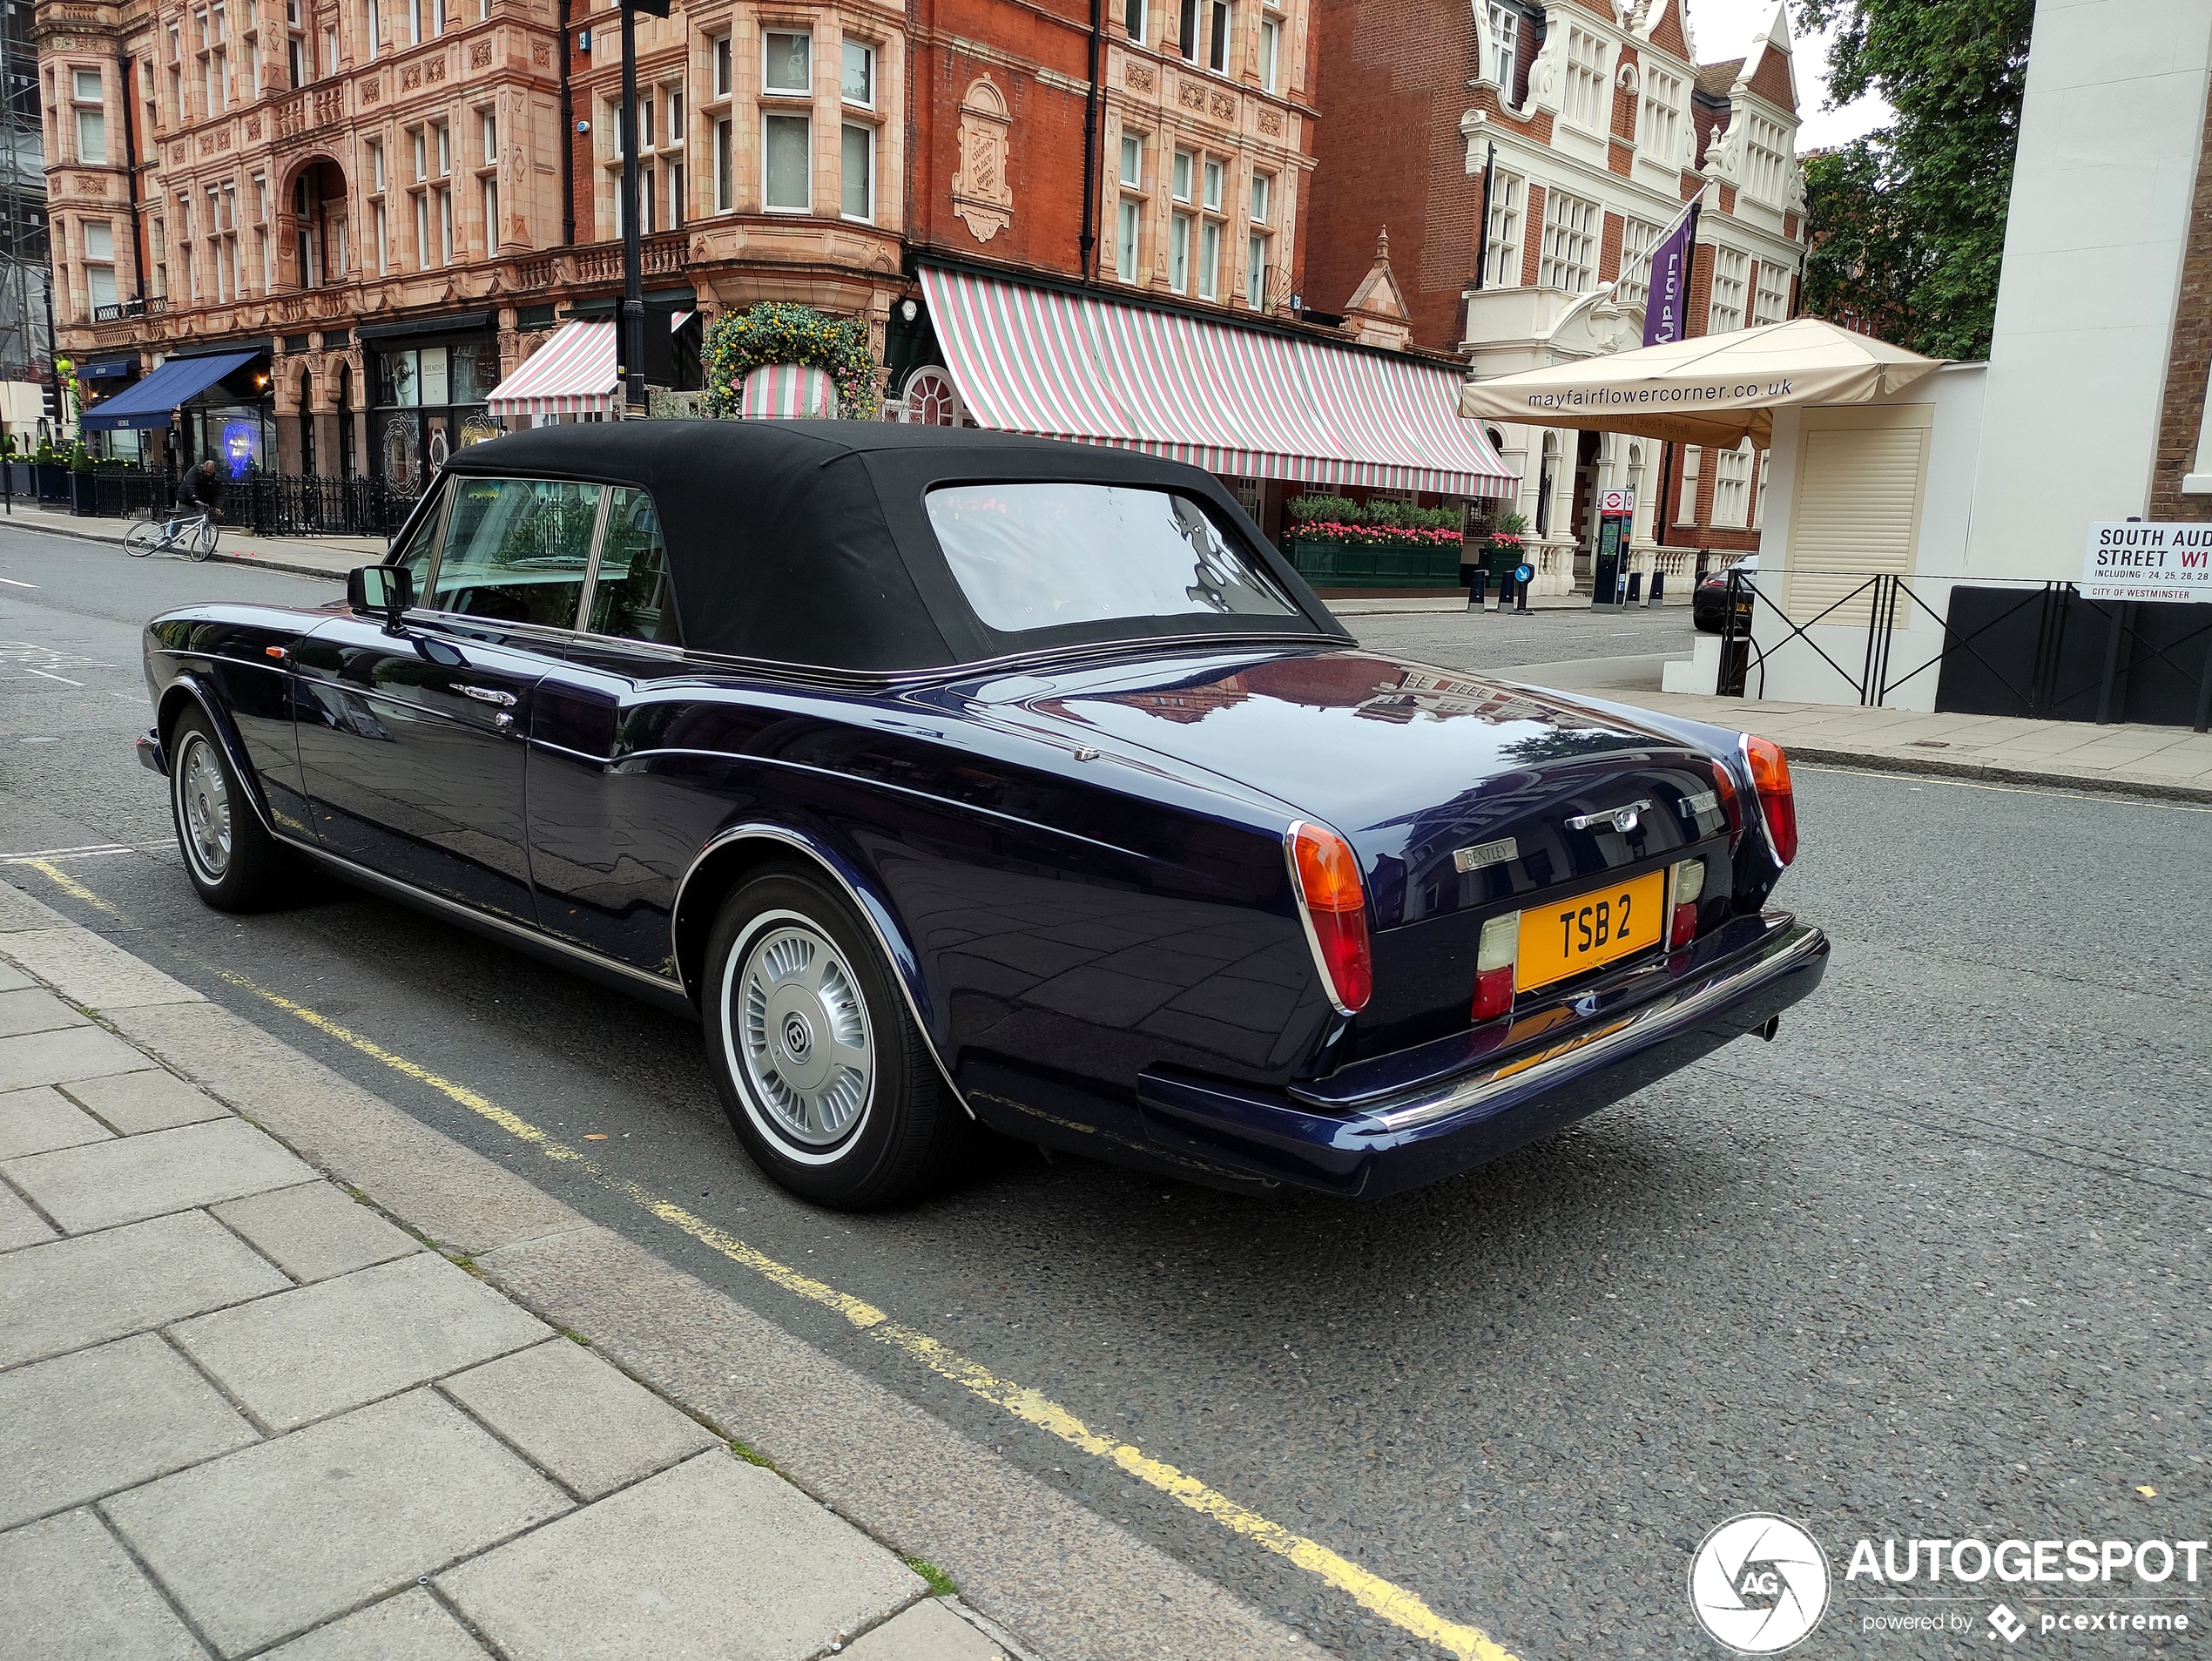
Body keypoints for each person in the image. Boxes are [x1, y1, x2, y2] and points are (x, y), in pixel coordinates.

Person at [168, 460, 226, 542]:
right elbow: (190, 485)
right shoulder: (195, 471)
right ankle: (171, 538)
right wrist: (195, 498)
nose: (208, 474)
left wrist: (218, 507)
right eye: (206, 472)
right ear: (204, 467)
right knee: (179, 519)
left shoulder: (216, 479)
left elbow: (219, 494)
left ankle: (206, 544)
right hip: (186, 499)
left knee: (204, 522)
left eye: (210, 473)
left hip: (202, 502)